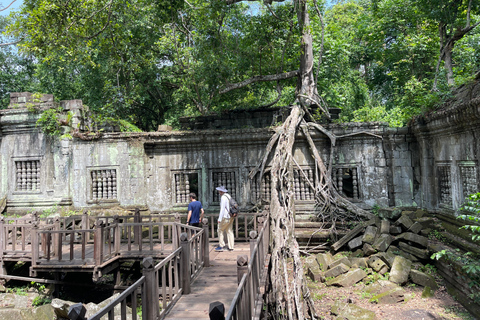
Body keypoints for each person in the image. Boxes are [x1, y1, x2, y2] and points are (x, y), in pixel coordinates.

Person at [215, 186, 234, 252]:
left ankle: (221, 245)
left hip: (225, 216)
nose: (219, 193)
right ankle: (231, 246)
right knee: (229, 231)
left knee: (220, 230)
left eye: (220, 191)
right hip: (231, 215)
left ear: (222, 191)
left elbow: (222, 209)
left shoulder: (223, 197)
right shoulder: (228, 196)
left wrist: (219, 219)